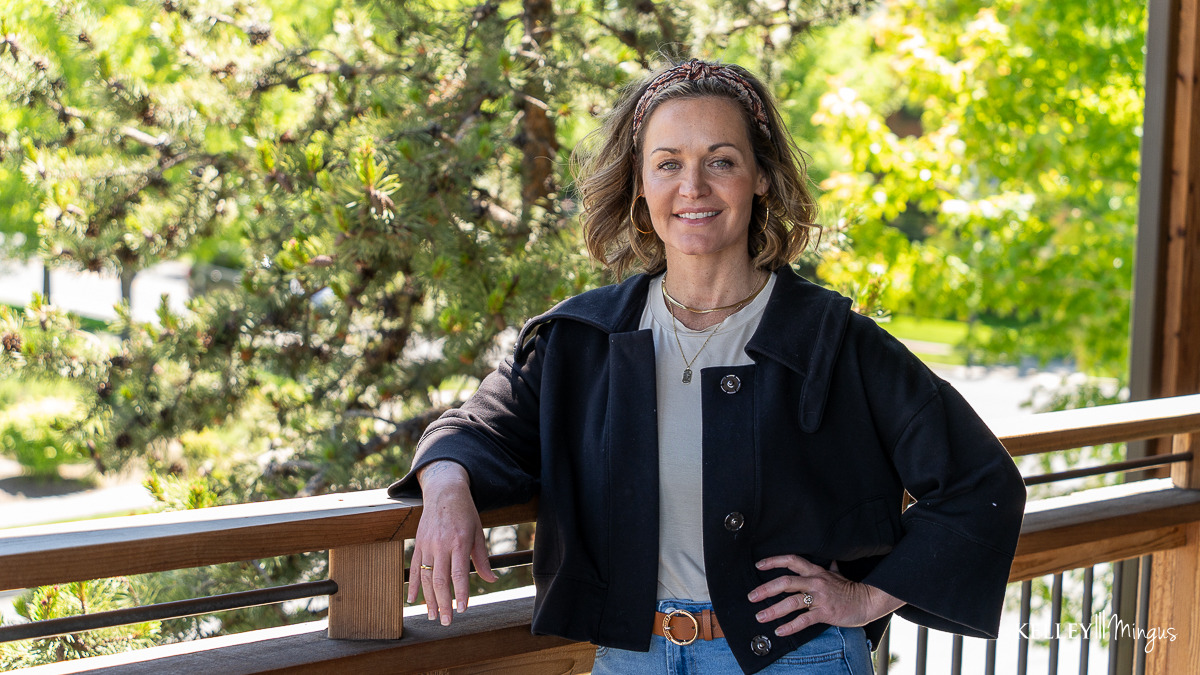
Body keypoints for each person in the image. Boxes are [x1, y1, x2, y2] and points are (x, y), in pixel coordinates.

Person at [389, 58, 1026, 674]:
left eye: (721, 161)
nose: (692, 188)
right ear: (640, 183)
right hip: (633, 657)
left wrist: (865, 599)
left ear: (763, 178)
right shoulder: (581, 340)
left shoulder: (835, 341)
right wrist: (446, 489)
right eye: (668, 164)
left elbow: (981, 481)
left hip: (798, 658)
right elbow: (477, 428)